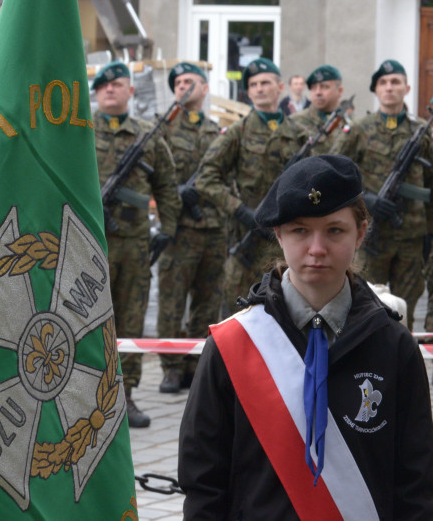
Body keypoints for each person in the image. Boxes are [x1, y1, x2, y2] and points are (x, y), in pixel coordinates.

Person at [178, 155, 433, 519]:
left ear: (361, 232)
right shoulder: (234, 344)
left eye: (335, 230)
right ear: (278, 234)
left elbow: (416, 483)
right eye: (299, 230)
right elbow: (203, 480)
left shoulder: (393, 346)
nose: (317, 249)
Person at [92, 61, 180, 427]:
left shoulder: (147, 134)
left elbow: (167, 186)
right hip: (88, 242)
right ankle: (85, 396)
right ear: (96, 93)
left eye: (118, 84)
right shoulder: (80, 131)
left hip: (134, 244)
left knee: (128, 320)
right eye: (103, 85)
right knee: (88, 321)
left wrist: (167, 230)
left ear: (131, 91)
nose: (110, 89)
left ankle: (124, 396)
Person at [197, 57, 308, 315]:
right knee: (238, 315)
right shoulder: (238, 132)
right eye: (253, 84)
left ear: (280, 88)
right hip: (247, 242)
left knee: (289, 313)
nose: (259, 88)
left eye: (265, 82)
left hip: (287, 242)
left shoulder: (300, 134)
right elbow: (206, 178)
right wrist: (240, 211)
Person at [331, 59, 433, 330]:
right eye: (384, 83)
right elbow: (334, 170)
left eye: (396, 82)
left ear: (407, 88)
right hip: (369, 233)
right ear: (376, 90)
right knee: (364, 302)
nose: (390, 87)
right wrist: (367, 199)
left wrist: (429, 233)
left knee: (406, 308)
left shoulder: (421, 133)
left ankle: (403, 363)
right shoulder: (359, 129)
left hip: (410, 236)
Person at [155, 63, 224, 393]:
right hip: (179, 228)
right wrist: (174, 194)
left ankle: (197, 364)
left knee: (207, 303)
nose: (182, 87)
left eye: (189, 81)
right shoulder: (163, 130)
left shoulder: (217, 132)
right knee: (171, 301)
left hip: (212, 228)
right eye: (177, 83)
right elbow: (152, 175)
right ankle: (170, 367)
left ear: (205, 88)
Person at [290, 64, 347, 155]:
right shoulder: (294, 122)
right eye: (313, 88)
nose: (318, 92)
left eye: (324, 87)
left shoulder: (351, 124)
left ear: (340, 91)